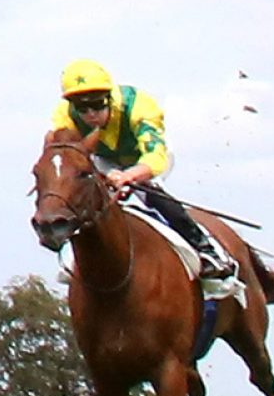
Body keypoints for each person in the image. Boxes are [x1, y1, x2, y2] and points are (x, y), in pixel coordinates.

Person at [51, 59, 239, 289]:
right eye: (82, 108)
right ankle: (76, 259)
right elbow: (67, 156)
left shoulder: (139, 106)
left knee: (152, 195)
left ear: (109, 98)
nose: (90, 114)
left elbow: (155, 157)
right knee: (85, 199)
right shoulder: (64, 115)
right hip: (103, 158)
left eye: (98, 105)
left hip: (146, 157)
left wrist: (128, 177)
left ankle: (207, 250)